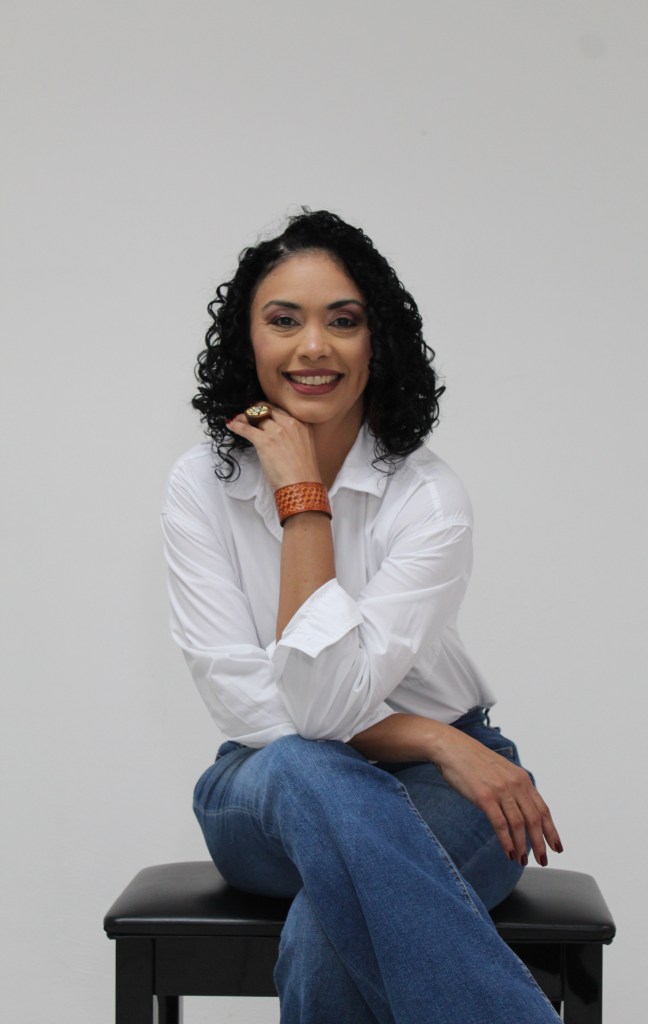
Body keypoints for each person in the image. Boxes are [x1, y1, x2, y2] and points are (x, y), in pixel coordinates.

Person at [162, 209, 564, 1023]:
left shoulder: (427, 498)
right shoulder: (200, 485)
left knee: (328, 931)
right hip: (267, 787)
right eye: (284, 321)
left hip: (445, 792)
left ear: (377, 343)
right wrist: (430, 736)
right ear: (248, 341)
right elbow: (268, 708)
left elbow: (319, 703)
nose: (313, 346)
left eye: (342, 321)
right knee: (301, 765)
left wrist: (437, 749)